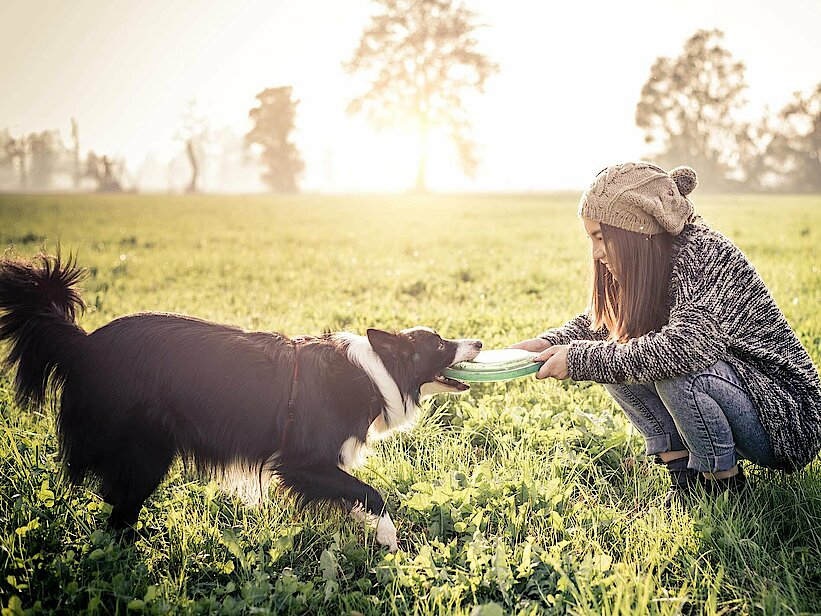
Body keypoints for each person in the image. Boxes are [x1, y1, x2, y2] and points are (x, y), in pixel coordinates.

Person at [511, 162, 821, 501]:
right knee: (612, 355)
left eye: (601, 238)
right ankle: (685, 480)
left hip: (784, 416)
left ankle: (724, 489)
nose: (597, 253)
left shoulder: (705, 255)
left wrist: (581, 359)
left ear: (637, 233)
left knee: (675, 371)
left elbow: (685, 349)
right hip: (739, 393)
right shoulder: (653, 258)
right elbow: (606, 324)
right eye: (591, 240)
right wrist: (551, 343)